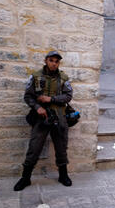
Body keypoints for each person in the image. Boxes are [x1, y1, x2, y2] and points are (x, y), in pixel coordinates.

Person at [14, 51, 73, 191]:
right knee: (34, 148)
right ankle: (25, 178)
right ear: (46, 60)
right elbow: (28, 96)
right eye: (51, 60)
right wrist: (37, 107)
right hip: (41, 118)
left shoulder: (64, 78)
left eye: (56, 61)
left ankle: (63, 175)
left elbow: (68, 96)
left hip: (59, 117)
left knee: (61, 148)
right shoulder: (35, 76)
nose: (54, 63)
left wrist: (51, 99)